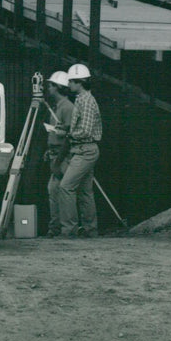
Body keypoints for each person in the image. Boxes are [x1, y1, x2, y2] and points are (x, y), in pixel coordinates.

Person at [57, 63, 102, 238]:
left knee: (65, 187)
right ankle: (91, 230)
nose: (69, 85)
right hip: (83, 150)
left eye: (71, 82)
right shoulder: (81, 99)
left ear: (80, 82)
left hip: (85, 150)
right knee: (85, 192)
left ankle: (69, 230)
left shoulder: (87, 102)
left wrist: (68, 133)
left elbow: (86, 131)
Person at [42, 71, 73, 238]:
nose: (48, 88)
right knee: (53, 191)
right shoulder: (58, 107)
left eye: (51, 85)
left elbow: (68, 137)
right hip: (55, 154)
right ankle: (56, 228)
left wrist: (57, 161)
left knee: (57, 191)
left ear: (58, 87)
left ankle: (61, 228)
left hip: (63, 157)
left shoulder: (67, 108)